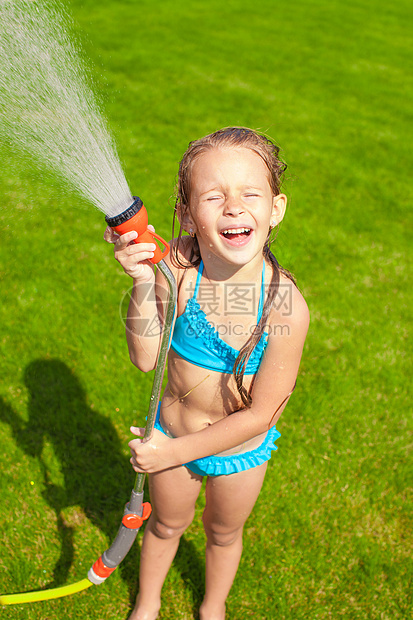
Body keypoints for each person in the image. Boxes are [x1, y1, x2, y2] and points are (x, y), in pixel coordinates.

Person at [104, 127, 309, 620]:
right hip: (170, 435)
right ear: (188, 216)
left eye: (250, 194)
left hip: (238, 452)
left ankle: (213, 606)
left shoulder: (285, 307)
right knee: (165, 526)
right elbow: (146, 358)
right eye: (214, 197)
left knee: (223, 532)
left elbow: (261, 414)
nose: (234, 207)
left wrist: (173, 453)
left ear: (275, 209)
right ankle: (148, 602)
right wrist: (141, 280)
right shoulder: (177, 268)